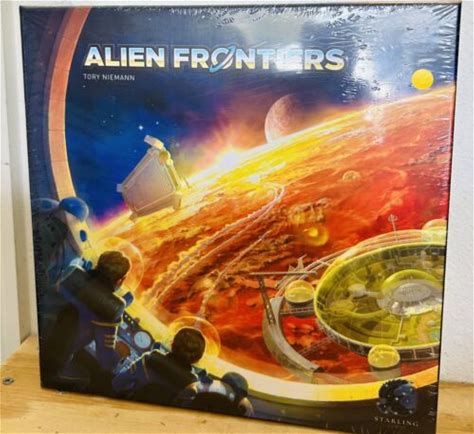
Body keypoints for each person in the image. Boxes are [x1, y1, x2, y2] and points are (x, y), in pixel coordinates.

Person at [42, 250, 131, 391]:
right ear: (121, 280)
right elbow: (106, 363)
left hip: (37, 342)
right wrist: (119, 353)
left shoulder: (71, 273)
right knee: (85, 380)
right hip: (50, 366)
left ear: (98, 264)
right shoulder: (110, 309)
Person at [112, 327, 206, 404]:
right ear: (197, 358)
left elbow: (117, 383)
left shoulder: (148, 359)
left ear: (172, 343)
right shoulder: (191, 388)